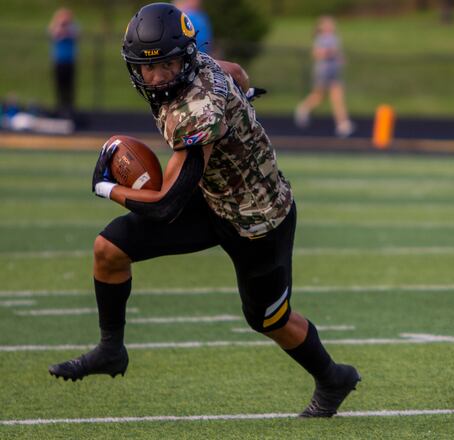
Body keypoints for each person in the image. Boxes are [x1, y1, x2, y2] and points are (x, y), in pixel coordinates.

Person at [48, 3, 360, 418]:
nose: (157, 78)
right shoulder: (199, 65)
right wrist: (244, 101)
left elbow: (166, 204)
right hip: (211, 197)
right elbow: (235, 72)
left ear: (185, 58)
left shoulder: (198, 110)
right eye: (147, 67)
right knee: (108, 249)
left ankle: (333, 377)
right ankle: (111, 349)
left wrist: (105, 186)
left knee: (269, 320)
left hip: (257, 219)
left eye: (168, 66)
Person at [294, 16, 354, 138]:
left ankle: (342, 124)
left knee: (337, 97)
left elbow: (337, 53)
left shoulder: (335, 38)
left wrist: (340, 58)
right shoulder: (321, 39)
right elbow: (317, 53)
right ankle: (303, 109)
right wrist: (330, 52)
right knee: (318, 97)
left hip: (334, 72)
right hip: (323, 72)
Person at [48, 7, 79, 118]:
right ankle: (59, 108)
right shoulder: (56, 26)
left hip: (69, 62)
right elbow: (54, 34)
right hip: (59, 62)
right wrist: (60, 24)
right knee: (59, 86)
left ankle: (69, 109)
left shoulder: (73, 27)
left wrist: (66, 27)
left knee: (69, 87)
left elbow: (75, 34)